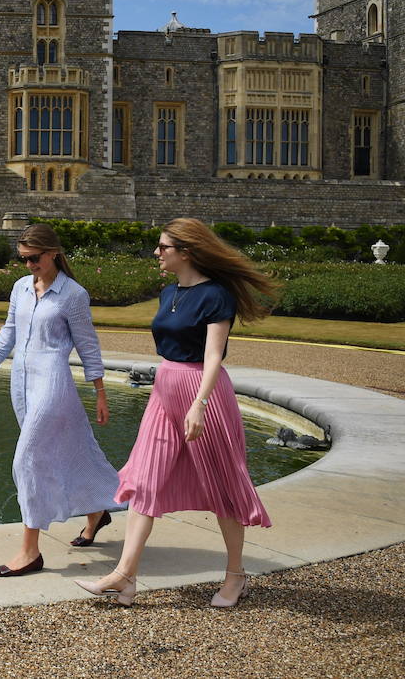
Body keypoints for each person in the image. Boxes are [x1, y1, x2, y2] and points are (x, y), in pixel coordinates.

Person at [77, 217, 279, 607]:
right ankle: (125, 576)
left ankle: (236, 577)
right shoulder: (168, 292)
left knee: (224, 486)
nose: (156, 253)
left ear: (186, 252)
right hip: (165, 388)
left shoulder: (217, 295)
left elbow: (213, 355)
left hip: (203, 391)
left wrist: (199, 404)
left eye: (163, 247)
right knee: (145, 480)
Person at [0, 224, 125, 577]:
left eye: (34, 258)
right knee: (64, 452)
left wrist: (99, 391)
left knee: (27, 460)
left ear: (53, 253)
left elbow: (88, 344)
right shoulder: (21, 287)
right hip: (20, 382)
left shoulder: (73, 294)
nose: (29, 265)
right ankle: (97, 511)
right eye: (23, 259)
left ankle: (30, 551)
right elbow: (8, 334)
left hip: (53, 383)